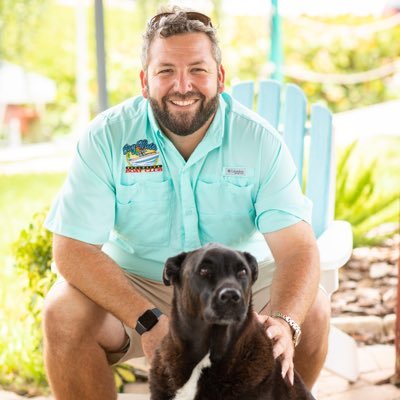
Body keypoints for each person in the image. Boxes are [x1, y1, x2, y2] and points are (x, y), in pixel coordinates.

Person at [43, 6, 330, 399]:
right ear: (144, 81)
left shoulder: (258, 141)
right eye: (165, 71)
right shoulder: (108, 138)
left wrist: (284, 321)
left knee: (311, 312)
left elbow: (298, 247)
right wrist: (146, 319)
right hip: (138, 285)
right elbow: (72, 249)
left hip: (240, 283)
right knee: (62, 315)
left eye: (197, 69)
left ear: (220, 78)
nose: (182, 85)